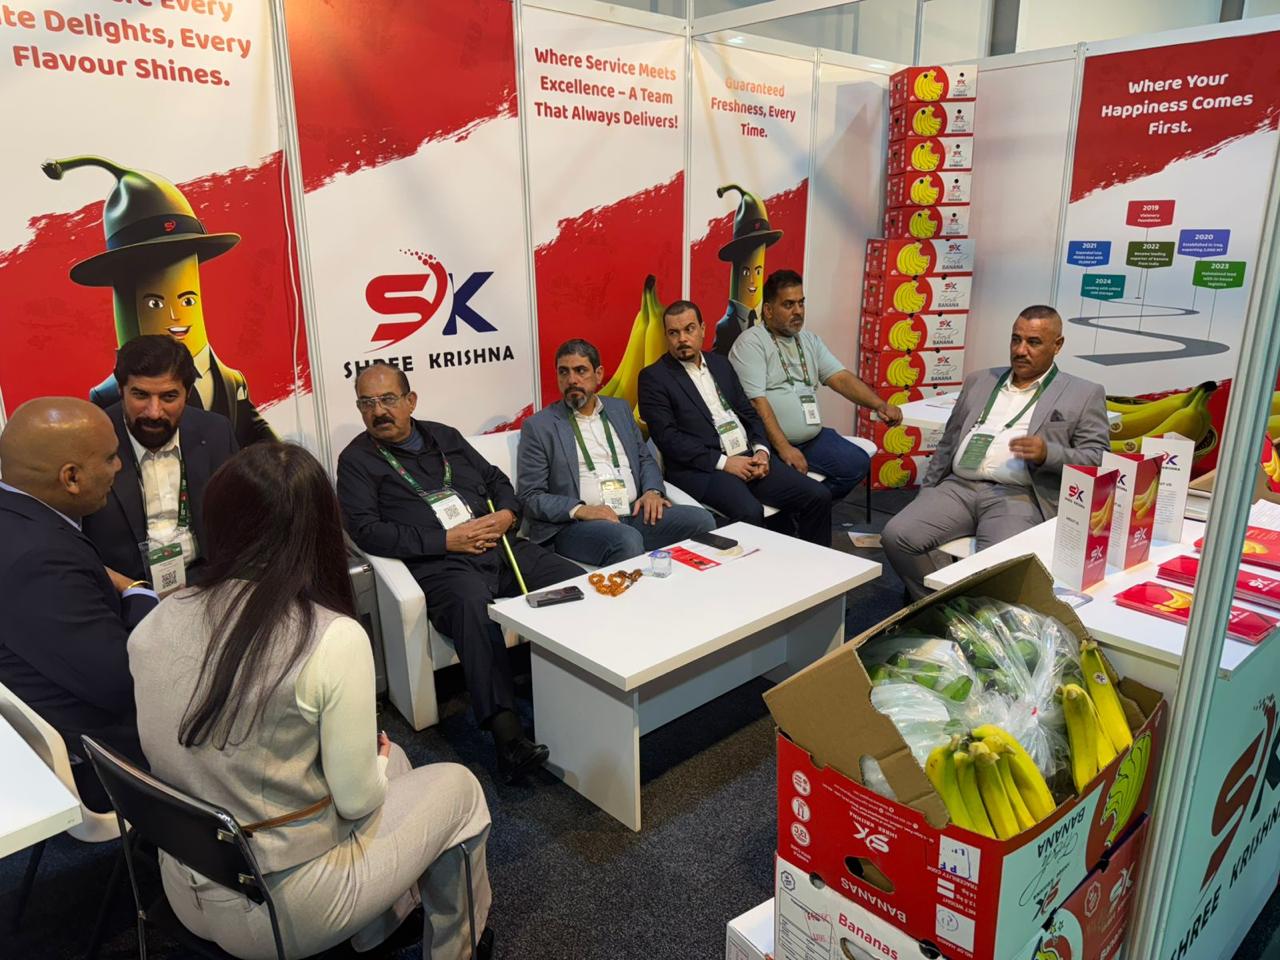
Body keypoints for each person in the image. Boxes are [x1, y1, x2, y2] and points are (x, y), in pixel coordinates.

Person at [129, 442, 493, 960]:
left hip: (186, 885)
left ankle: (379, 929)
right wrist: (374, 762)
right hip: (283, 910)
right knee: (459, 787)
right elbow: (356, 801)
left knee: (397, 762)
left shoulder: (160, 616)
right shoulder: (329, 635)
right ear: (321, 526)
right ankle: (458, 950)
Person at [337, 363, 581, 782]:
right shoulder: (357, 460)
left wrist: (507, 514)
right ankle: (509, 741)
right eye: (367, 403)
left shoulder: (444, 437)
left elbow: (496, 480)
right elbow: (367, 531)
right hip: (441, 564)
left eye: (388, 399)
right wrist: (445, 541)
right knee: (472, 607)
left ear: (411, 401)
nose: (378, 411)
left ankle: (581, 695)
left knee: (574, 582)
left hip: (498, 547)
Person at [41, 155, 275, 448]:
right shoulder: (107, 397)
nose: (175, 316)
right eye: (155, 304)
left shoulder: (231, 381)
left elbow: (264, 444)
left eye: (187, 301)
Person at [882, 306, 1110, 599]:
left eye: (1033, 342)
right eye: (1016, 339)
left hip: (1019, 496)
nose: (1021, 350)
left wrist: (1048, 453)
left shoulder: (1083, 393)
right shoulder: (980, 380)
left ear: (1058, 345)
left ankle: (973, 614)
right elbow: (948, 442)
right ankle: (943, 608)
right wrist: (927, 492)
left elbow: (1098, 458)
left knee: (996, 569)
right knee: (897, 535)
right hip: (958, 488)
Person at [0, 397, 158, 809]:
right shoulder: (42, 559)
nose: (119, 467)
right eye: (110, 458)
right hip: (112, 762)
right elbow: (125, 683)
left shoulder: (19, 522)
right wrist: (139, 591)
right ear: (70, 477)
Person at [638, 300, 833, 546]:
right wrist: (725, 462)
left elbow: (749, 413)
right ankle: (753, 570)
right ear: (666, 336)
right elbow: (668, 440)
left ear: (703, 329)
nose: (682, 339)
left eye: (689, 329)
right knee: (750, 512)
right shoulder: (654, 378)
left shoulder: (720, 364)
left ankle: (815, 564)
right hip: (703, 468)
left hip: (749, 456)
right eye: (674, 333)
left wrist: (762, 451)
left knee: (818, 495)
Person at [518, 339, 716, 566]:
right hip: (577, 526)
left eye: (580, 370)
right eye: (564, 372)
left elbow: (644, 458)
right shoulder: (540, 426)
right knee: (626, 540)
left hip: (633, 513)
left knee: (701, 520)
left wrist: (652, 491)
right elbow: (530, 496)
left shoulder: (619, 409)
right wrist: (580, 510)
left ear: (598, 374)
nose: (572, 380)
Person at [729, 269, 902, 502]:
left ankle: (805, 512)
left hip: (813, 438)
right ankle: (805, 509)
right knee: (804, 489)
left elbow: (840, 377)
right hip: (771, 444)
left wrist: (879, 405)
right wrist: (784, 448)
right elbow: (756, 402)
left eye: (801, 303)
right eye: (788, 305)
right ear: (768, 310)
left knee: (857, 464)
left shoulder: (809, 340)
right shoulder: (752, 343)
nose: (798, 311)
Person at [82, 335, 239, 586]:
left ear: (187, 393)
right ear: (121, 390)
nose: (154, 412)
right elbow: (68, 541)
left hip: (205, 582)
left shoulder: (215, 431)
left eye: (169, 397)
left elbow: (239, 519)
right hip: (125, 590)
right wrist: (130, 591)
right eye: (140, 395)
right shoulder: (88, 441)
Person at [711, 184, 782, 357]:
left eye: (758, 272)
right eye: (745, 273)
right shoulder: (725, 327)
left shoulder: (772, 319)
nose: (752, 282)